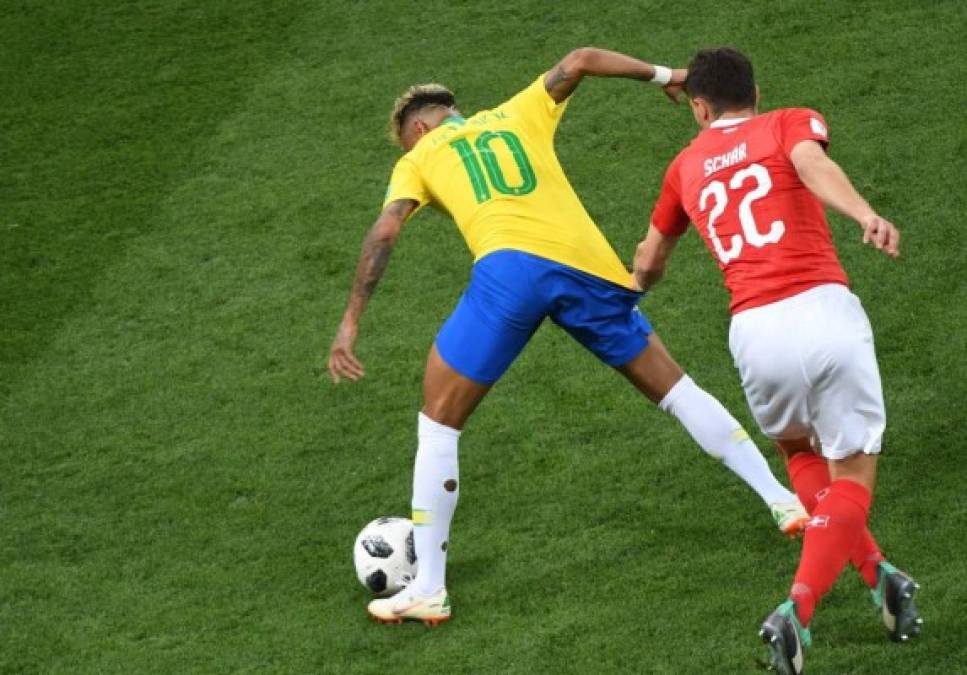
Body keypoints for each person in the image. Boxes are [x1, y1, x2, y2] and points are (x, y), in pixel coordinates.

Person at [328, 47, 807, 627]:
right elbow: (579, 59)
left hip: (509, 273)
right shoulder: (513, 113)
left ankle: (429, 585)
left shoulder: (420, 154)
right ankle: (782, 501)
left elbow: (384, 232)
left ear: (421, 129)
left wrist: (351, 322)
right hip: (588, 270)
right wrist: (671, 76)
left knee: (437, 422)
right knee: (675, 388)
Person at [636, 47, 921, 674]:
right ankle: (798, 609)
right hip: (823, 311)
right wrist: (865, 215)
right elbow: (812, 164)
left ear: (700, 107)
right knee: (852, 473)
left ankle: (881, 578)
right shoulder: (787, 121)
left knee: (798, 453)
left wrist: (625, 287)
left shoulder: (683, 167)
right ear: (755, 92)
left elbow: (650, 261)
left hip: (754, 331)